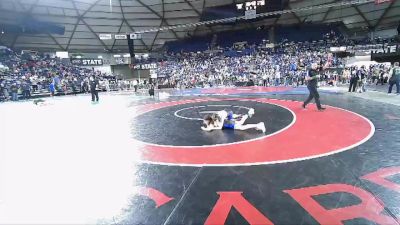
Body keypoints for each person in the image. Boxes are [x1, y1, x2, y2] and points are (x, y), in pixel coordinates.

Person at [201, 108, 266, 133]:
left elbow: (220, 127)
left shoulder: (220, 117)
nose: (204, 122)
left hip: (229, 123)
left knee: (242, 126)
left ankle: (259, 124)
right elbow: (210, 127)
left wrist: (209, 128)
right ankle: (248, 114)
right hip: (228, 122)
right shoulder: (212, 120)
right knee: (241, 123)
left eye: (205, 121)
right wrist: (207, 128)